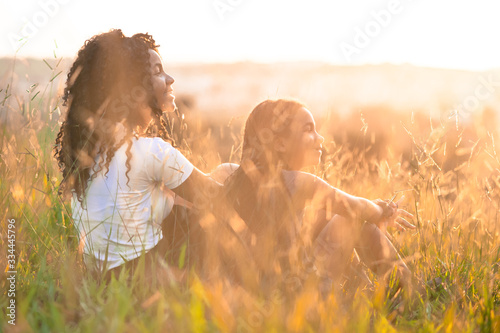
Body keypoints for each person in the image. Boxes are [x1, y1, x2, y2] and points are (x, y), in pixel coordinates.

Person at [54, 29, 221, 283]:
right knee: (222, 191)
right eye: (157, 72)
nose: (170, 79)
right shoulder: (150, 151)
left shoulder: (88, 155)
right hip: (143, 276)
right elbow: (219, 197)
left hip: (102, 278)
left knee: (192, 191)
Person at [212, 99, 416, 296]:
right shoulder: (299, 183)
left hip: (251, 291)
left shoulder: (233, 175)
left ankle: (366, 288)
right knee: (353, 222)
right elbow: (356, 207)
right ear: (280, 143)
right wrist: (384, 210)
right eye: (308, 129)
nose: (320, 138)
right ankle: (410, 290)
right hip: (292, 296)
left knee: (324, 215)